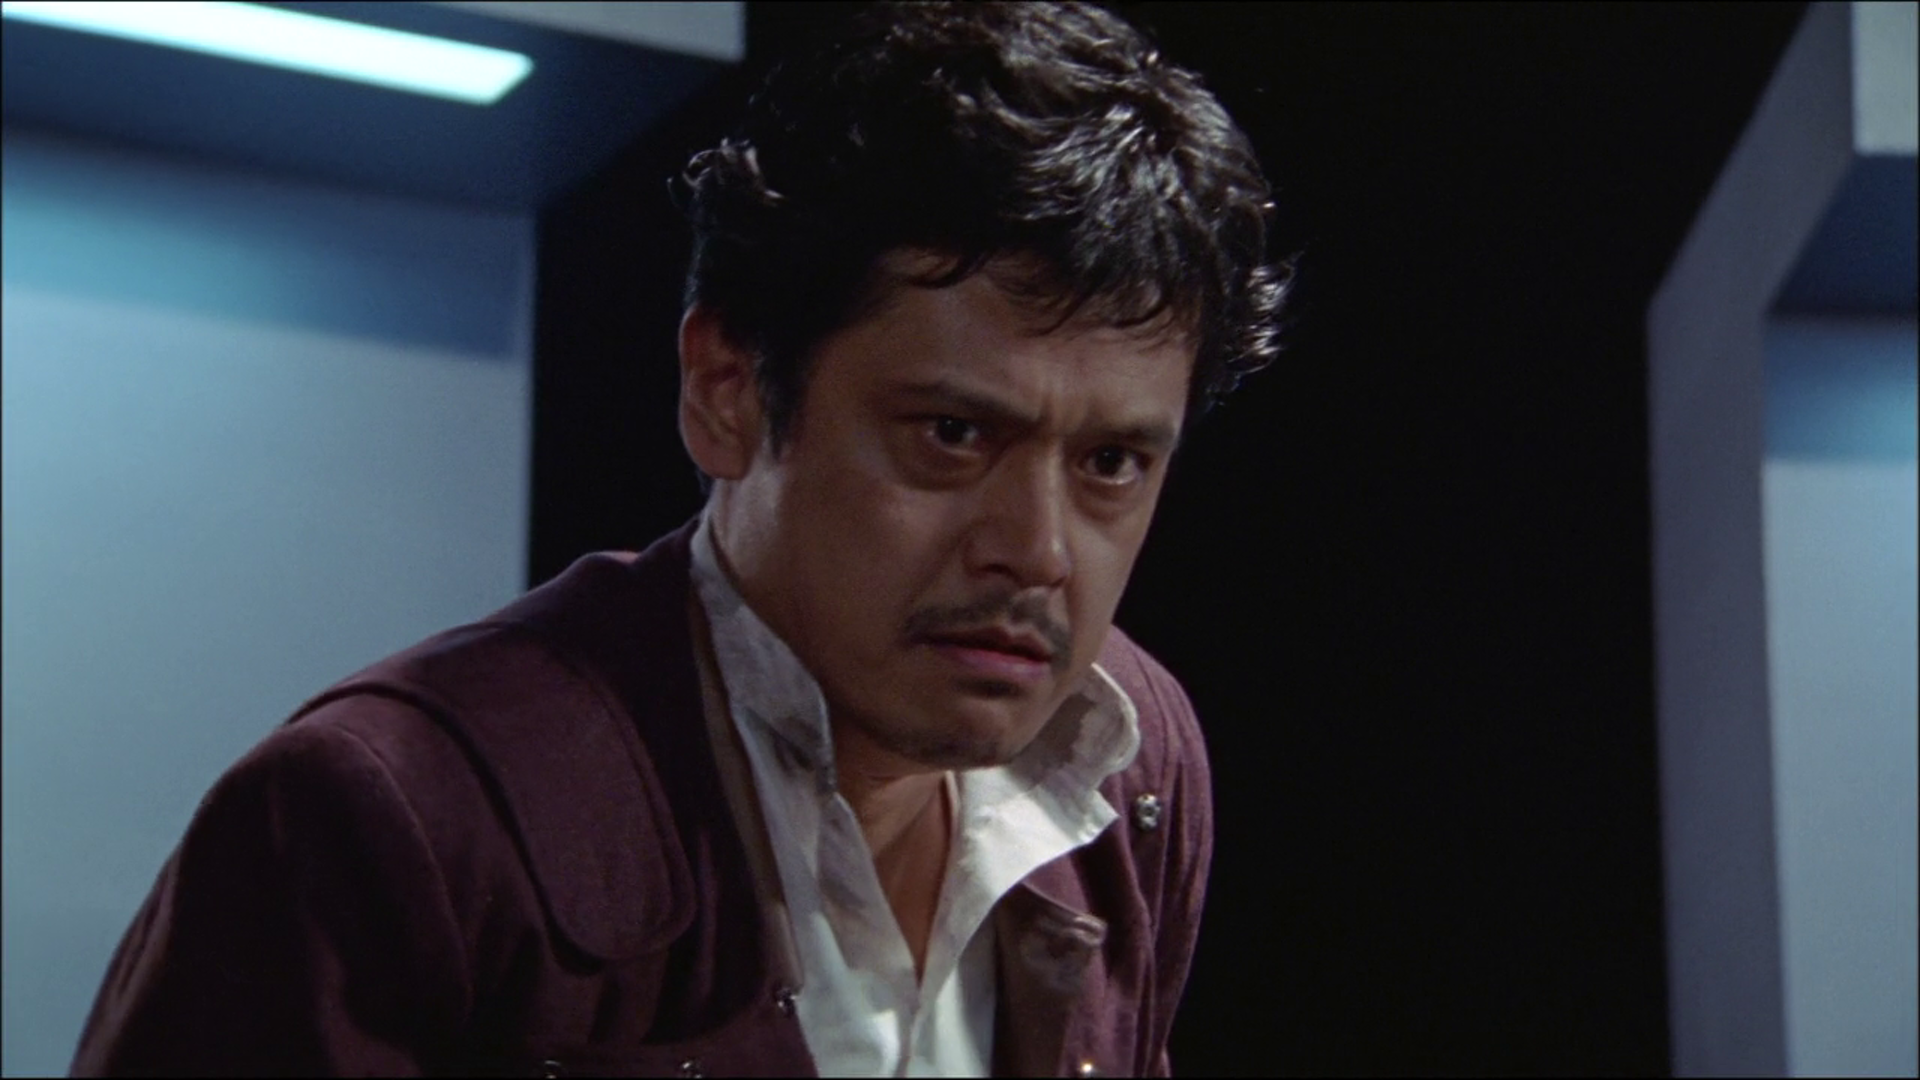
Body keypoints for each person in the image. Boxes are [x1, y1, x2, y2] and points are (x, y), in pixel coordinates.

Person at [69, 2, 1288, 1075]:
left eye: (1111, 463)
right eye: (953, 435)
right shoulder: (390, 818)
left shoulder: (1129, 759)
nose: (1039, 551)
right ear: (727, 391)